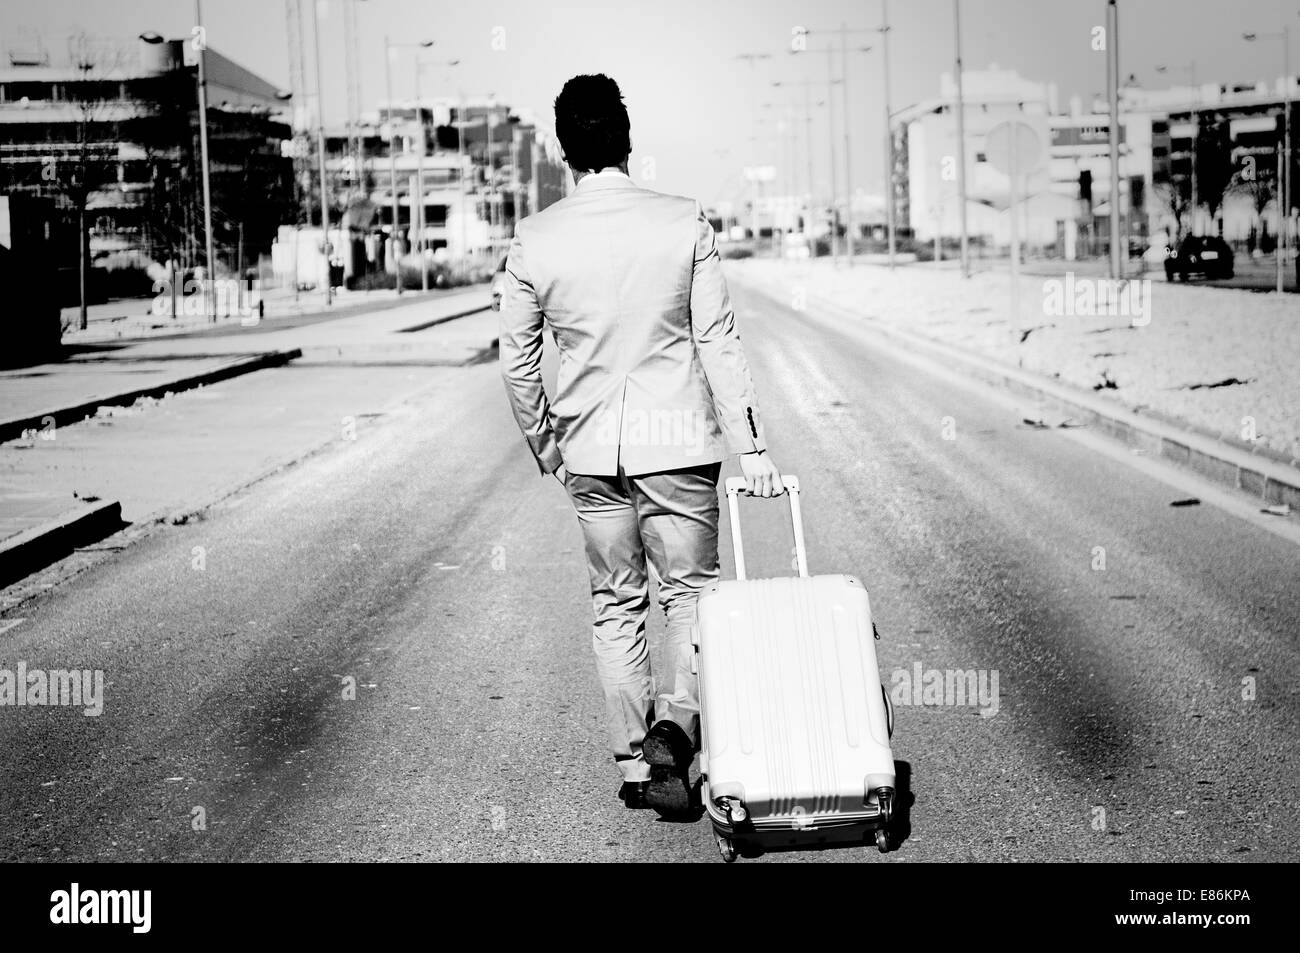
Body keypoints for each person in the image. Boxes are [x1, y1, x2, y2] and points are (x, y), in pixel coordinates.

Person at [499, 74, 782, 816]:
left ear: (565, 150)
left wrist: (546, 444)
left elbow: (516, 360)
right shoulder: (682, 220)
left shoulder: (537, 238)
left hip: (591, 454)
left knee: (615, 603)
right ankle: (679, 725)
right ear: (627, 137)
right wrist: (751, 447)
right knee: (691, 595)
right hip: (680, 445)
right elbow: (717, 338)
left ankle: (634, 761)